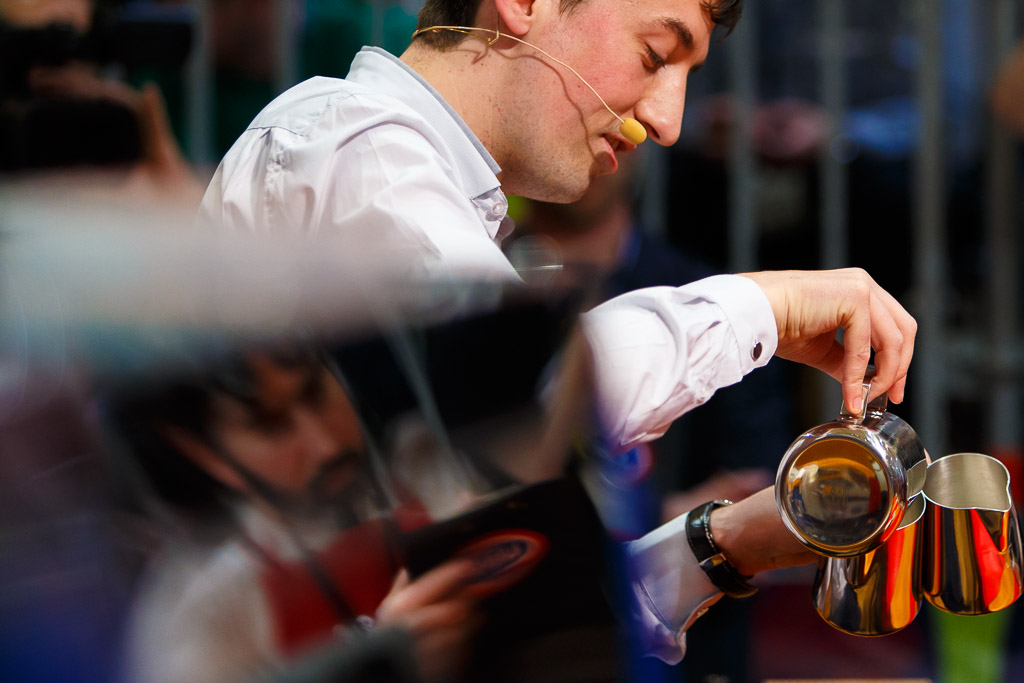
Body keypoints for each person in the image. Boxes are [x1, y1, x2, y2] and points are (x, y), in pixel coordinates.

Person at [196, 0, 918, 665]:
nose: (667, 121)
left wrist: (724, 542)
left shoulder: (403, 177)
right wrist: (769, 306)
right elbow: (540, 402)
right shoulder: (362, 152)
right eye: (655, 54)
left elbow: (491, 592)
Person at [112, 347, 483, 683]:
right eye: (271, 425)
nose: (327, 446)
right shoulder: (207, 617)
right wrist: (383, 669)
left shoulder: (431, 463)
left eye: (315, 392)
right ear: (201, 453)